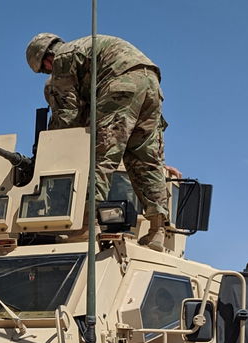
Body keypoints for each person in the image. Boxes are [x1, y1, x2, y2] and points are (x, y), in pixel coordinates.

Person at [25, 32, 176, 250]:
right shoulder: (87, 49)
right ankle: (157, 230)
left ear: (46, 59)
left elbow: (67, 116)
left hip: (119, 84)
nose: (50, 73)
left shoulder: (62, 58)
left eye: (46, 71)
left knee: (100, 156)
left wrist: (49, 149)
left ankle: (88, 225)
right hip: (151, 83)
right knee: (145, 160)